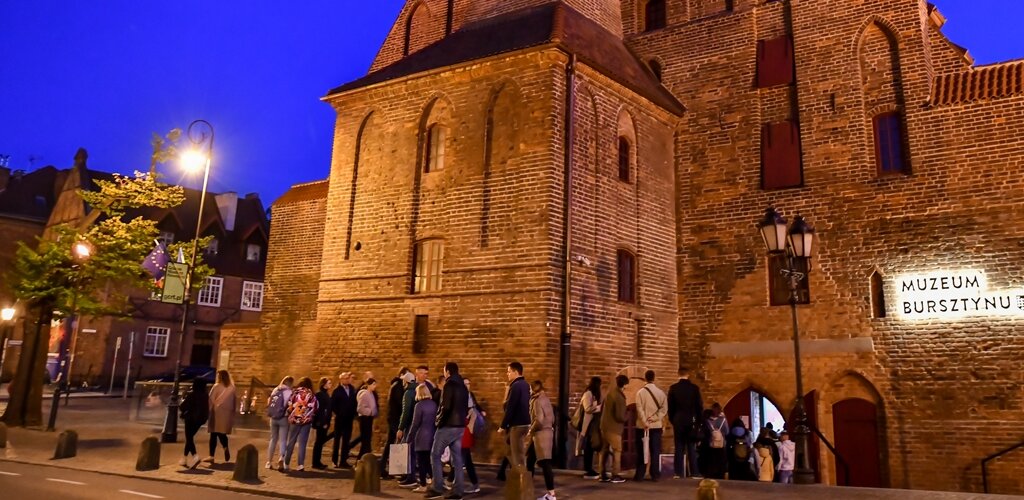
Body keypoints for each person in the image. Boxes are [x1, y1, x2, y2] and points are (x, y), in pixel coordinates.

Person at [426, 361, 468, 500]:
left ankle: (437, 487)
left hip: (448, 425)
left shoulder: (449, 385)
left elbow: (445, 406)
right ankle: (458, 490)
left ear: (448, 371)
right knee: (456, 459)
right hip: (460, 425)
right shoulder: (463, 386)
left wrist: (438, 421)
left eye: (444, 371)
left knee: (435, 454)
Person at [397, 366, 435, 487]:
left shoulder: (411, 392)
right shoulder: (421, 389)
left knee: (415, 453)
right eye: (423, 373)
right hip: (424, 427)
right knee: (419, 455)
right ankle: (422, 477)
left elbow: (406, 411)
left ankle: (413, 477)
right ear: (416, 375)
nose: (425, 376)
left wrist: (401, 428)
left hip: (415, 426)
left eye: (426, 373)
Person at [668, 366, 703, 479]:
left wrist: (673, 419)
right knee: (691, 447)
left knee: (678, 447)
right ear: (688, 374)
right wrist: (698, 422)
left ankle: (677, 472)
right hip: (691, 421)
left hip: (678, 420)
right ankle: (694, 472)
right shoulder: (694, 388)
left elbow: (670, 407)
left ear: (678, 374)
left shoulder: (673, 388)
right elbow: (699, 407)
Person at [634, 369, 667, 481]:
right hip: (656, 426)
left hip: (642, 426)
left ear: (645, 378)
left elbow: (639, 409)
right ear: (654, 378)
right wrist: (653, 418)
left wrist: (645, 421)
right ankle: (655, 474)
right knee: (655, 450)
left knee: (641, 451)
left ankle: (640, 474)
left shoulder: (639, 393)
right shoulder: (661, 393)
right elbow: (664, 410)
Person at [500, 361, 531, 472]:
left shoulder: (516, 386)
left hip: (517, 424)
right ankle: (515, 474)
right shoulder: (526, 385)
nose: (507, 374)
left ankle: (521, 481)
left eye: (509, 372)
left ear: (515, 372)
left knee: (517, 454)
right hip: (525, 422)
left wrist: (503, 425)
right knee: (510, 449)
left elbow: (510, 407)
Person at [529, 380, 557, 500]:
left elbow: (539, 420)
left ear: (534, 389)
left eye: (530, 389)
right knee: (530, 460)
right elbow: (553, 418)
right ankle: (527, 488)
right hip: (547, 433)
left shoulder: (536, 401)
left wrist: (531, 430)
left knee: (545, 464)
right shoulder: (545, 398)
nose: (529, 391)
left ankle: (551, 494)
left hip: (540, 435)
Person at [407, 384, 437, 493]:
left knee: (421, 462)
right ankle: (435, 481)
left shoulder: (419, 406)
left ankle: (423, 484)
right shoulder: (434, 404)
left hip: (421, 436)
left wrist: (409, 437)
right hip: (432, 435)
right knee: (428, 461)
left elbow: (415, 424)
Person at [382, 367, 410, 479]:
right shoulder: (398, 387)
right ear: (402, 374)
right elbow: (400, 404)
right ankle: (394, 469)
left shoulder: (396, 386)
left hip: (393, 418)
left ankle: (383, 467)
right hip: (395, 419)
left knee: (391, 442)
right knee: (397, 443)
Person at [574, 376, 603, 480]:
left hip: (591, 424)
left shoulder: (594, 394)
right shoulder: (588, 394)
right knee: (587, 447)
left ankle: (589, 467)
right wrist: (599, 408)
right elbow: (587, 408)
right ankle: (588, 468)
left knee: (590, 447)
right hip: (586, 424)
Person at [207, 370, 237, 464]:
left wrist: (208, 410)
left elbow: (211, 399)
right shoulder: (232, 388)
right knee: (222, 432)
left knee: (213, 433)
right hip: (226, 413)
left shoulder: (216, 386)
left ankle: (211, 456)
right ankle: (225, 447)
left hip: (216, 412)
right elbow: (234, 401)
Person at [179, 378, 209, 469]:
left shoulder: (192, 395)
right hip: (200, 420)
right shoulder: (205, 396)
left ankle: (195, 456)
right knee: (190, 438)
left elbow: (182, 407)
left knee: (189, 438)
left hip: (190, 419)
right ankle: (184, 458)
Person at [266, 376, 294, 469]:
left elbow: (269, 402)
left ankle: (269, 462)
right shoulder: (289, 392)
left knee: (273, 439)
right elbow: (290, 407)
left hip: (273, 418)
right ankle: (281, 458)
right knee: (283, 440)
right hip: (283, 418)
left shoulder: (275, 390)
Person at [331, 372, 358, 468]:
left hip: (349, 418)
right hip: (340, 419)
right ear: (341, 380)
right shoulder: (337, 391)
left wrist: (354, 413)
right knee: (337, 440)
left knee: (346, 440)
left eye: (348, 378)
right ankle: (334, 460)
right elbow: (333, 405)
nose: (347, 380)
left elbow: (354, 402)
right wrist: (338, 413)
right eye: (345, 378)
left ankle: (343, 460)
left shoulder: (352, 389)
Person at [312, 376, 334, 469]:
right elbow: (320, 410)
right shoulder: (320, 395)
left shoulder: (325, 394)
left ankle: (317, 461)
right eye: (329, 383)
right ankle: (316, 462)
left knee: (320, 442)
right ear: (324, 385)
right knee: (319, 442)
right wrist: (323, 422)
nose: (330, 385)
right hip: (321, 422)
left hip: (325, 422)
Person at [356, 378, 379, 458]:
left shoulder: (371, 394)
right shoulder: (364, 394)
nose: (375, 386)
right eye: (373, 384)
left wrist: (374, 413)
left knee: (368, 439)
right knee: (365, 440)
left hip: (369, 419)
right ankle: (361, 458)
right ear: (369, 385)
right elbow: (360, 408)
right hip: (364, 419)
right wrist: (369, 412)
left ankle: (366, 457)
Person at [704, 404, 728, 479]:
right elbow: (727, 431)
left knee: (711, 462)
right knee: (721, 462)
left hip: (711, 444)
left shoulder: (707, 420)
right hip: (721, 444)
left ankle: (711, 476)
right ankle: (720, 476)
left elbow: (706, 432)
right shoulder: (723, 420)